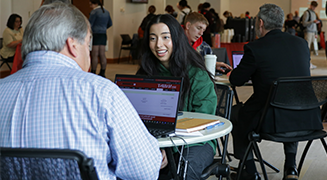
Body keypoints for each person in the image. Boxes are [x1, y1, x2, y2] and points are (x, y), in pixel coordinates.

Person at [0, 2, 162, 180]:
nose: (89, 51)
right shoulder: (101, 92)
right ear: (72, 45)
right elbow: (144, 172)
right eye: (88, 43)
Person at [229, 4, 323, 180]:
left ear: (261, 23)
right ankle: (291, 169)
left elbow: (236, 80)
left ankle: (250, 171)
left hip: (271, 120)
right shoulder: (301, 44)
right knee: (289, 103)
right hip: (307, 117)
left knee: (235, 113)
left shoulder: (255, 48)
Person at [137, 14, 217, 180]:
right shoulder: (146, 72)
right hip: (156, 141)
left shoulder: (196, 74)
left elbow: (202, 121)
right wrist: (157, 146)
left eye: (166, 37)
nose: (159, 44)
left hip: (196, 141)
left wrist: (167, 147)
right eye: (153, 38)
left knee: (184, 170)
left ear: (177, 38)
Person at [89, 0, 112, 77]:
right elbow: (110, 23)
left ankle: (93, 71)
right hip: (103, 34)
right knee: (102, 54)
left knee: (94, 54)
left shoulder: (94, 12)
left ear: (94, 4)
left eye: (90, 4)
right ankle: (102, 72)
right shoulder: (106, 12)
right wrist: (103, 28)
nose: (90, 6)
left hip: (96, 34)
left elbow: (90, 24)